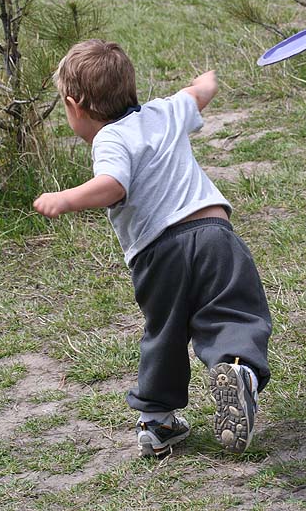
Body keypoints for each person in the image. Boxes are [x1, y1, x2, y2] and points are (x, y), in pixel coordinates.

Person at [34, 39, 272, 457]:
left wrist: (67, 198)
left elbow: (113, 185)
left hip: (159, 253)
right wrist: (207, 78)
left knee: (165, 331)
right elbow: (201, 92)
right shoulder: (166, 109)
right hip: (215, 232)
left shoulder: (109, 139)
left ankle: (157, 420)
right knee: (234, 309)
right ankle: (239, 371)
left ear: (74, 106)